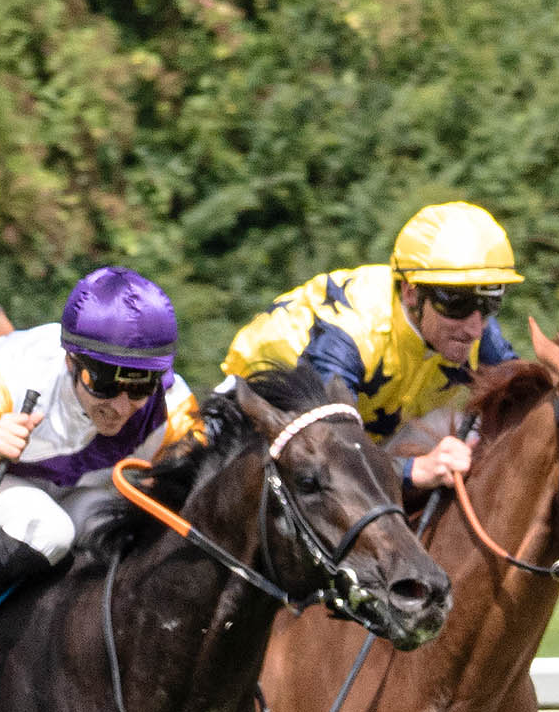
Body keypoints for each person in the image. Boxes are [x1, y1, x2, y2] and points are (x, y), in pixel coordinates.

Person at [0, 266, 206, 615]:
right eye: (105, 384)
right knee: (46, 528)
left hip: (74, 501)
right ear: (71, 360)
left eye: (139, 388)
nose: (121, 407)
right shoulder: (0, 378)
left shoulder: (175, 408)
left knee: (118, 527)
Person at [220, 200, 527, 494]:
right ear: (411, 293)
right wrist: (415, 470)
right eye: (458, 305)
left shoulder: (473, 328)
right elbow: (333, 455)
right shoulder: (348, 338)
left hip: (362, 436)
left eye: (488, 305)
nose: (475, 329)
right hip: (252, 428)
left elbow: (530, 406)